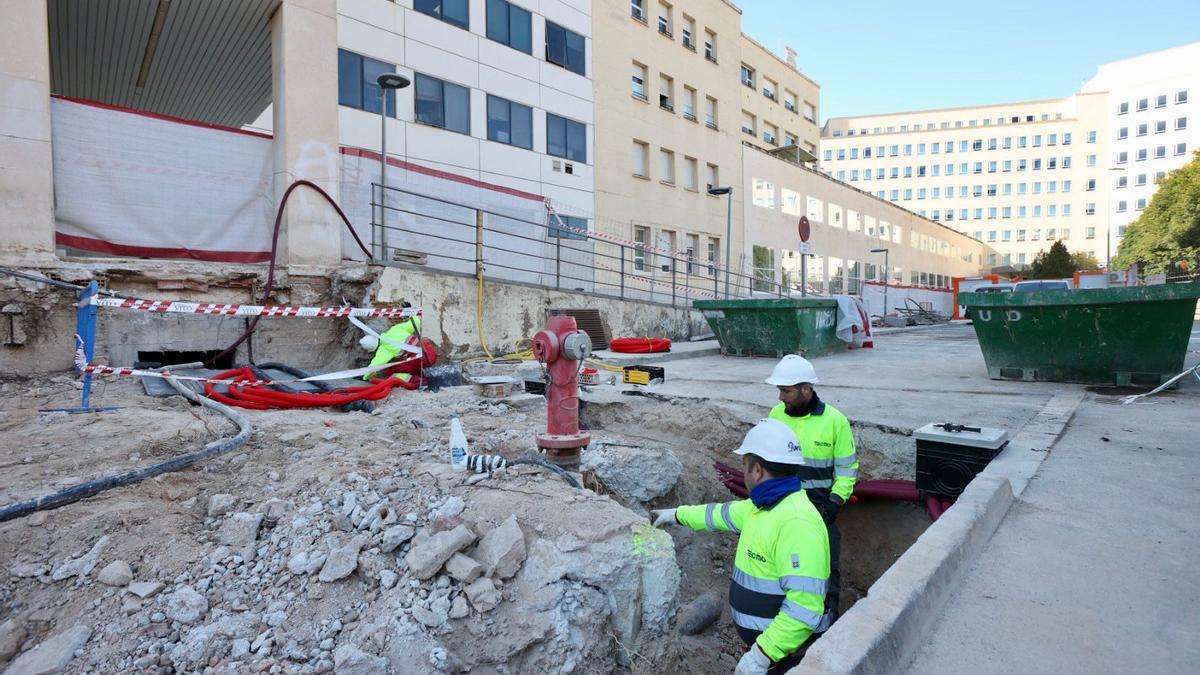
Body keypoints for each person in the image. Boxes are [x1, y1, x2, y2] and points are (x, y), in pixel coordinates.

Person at [651, 419, 830, 675]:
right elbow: (717, 514)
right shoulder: (762, 507)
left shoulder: (796, 522)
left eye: (744, 467)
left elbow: (805, 609)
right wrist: (675, 514)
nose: (744, 474)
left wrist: (762, 655)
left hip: (787, 660)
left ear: (756, 470)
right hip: (772, 654)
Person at [765, 354, 858, 624]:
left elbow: (847, 471)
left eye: (786, 391)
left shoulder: (835, 422)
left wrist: (834, 503)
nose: (780, 397)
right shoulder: (775, 415)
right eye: (779, 390)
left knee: (826, 573)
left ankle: (827, 627)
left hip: (820, 513)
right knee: (777, 570)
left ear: (807, 389)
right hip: (781, 510)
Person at [361, 301, 424, 382]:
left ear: (373, 348)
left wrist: (364, 377)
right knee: (408, 364)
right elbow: (417, 322)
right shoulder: (394, 329)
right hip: (427, 348)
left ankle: (419, 382)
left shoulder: (384, 349)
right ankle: (423, 374)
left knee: (391, 372)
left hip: (420, 358)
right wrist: (409, 312)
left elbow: (375, 366)